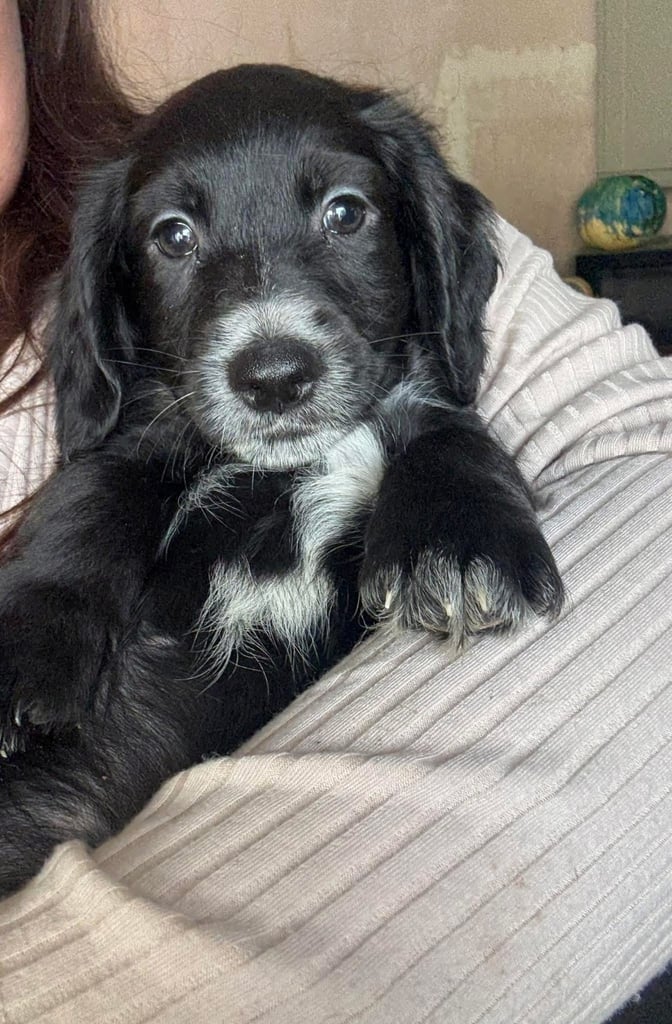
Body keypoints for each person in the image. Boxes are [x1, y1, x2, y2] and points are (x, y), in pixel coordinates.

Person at [1, 3, 672, 1022]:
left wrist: (454, 454)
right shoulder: (125, 348)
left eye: (345, 216)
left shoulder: (435, 352)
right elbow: (115, 465)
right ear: (119, 288)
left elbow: (643, 448)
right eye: (177, 237)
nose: (269, 339)